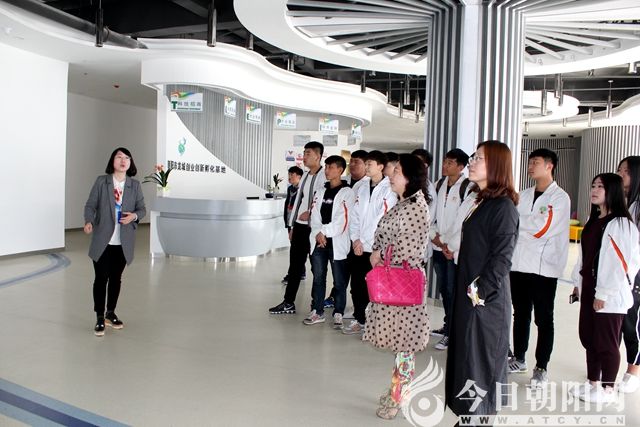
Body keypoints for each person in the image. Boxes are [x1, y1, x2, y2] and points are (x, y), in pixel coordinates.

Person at [445, 141, 519, 418]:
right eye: (473, 157)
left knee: (481, 363)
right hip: (471, 294)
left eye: (479, 158)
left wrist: (478, 293)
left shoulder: (503, 207)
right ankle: (469, 416)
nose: (472, 163)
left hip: (485, 301)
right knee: (467, 359)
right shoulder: (482, 201)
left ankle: (478, 418)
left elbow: (502, 259)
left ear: (496, 165)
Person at [363, 154, 431, 420]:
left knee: (405, 344)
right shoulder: (403, 202)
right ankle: (396, 389)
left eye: (398, 172)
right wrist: (378, 251)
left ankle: (399, 396)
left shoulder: (415, 207)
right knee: (400, 342)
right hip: (395, 281)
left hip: (404, 285)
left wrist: (380, 255)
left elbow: (408, 250)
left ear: (411, 177)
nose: (391, 175)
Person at [571, 173, 640, 403]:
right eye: (593, 185)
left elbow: (618, 264)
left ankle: (608, 390)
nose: (594, 190)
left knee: (606, 343)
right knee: (589, 338)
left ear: (613, 191)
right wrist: (577, 284)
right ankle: (593, 383)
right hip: (590, 288)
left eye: (600, 186)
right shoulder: (594, 221)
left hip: (609, 294)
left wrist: (603, 293)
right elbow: (584, 258)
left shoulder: (621, 224)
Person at [508, 149, 570, 387]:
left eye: (536, 162)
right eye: (530, 162)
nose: (531, 166)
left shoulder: (560, 198)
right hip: (519, 264)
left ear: (549, 165)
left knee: (544, 319)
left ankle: (541, 367)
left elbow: (542, 229)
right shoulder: (522, 195)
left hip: (544, 268)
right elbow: (512, 224)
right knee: (520, 314)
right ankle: (519, 358)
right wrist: (523, 226)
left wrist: (520, 226)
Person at [84, 147, 146, 337]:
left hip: (123, 241)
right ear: (113, 161)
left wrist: (134, 216)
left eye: (127, 158)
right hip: (103, 239)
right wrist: (88, 221)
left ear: (130, 163)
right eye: (119, 157)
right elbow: (90, 205)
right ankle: (99, 316)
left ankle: (110, 313)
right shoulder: (102, 182)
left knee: (116, 278)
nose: (123, 160)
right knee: (101, 278)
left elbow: (142, 209)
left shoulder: (134, 185)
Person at [344, 150, 397, 335]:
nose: (366, 167)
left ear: (381, 167)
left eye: (369, 164)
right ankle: (360, 319)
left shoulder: (389, 188)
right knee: (357, 286)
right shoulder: (362, 186)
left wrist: (368, 242)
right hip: (359, 246)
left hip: (376, 248)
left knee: (375, 286)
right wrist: (356, 240)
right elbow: (355, 215)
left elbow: (383, 219)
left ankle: (375, 323)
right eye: (365, 163)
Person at [269, 141, 325, 314]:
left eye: (308, 153)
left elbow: (324, 203)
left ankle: (316, 307)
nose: (304, 156)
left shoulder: (324, 176)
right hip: (299, 228)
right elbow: (298, 201)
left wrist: (311, 213)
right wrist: (292, 225)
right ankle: (288, 302)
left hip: (314, 230)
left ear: (318, 156)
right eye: (304, 153)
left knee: (318, 270)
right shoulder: (305, 176)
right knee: (295, 267)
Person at [305, 156, 355, 328]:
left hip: (337, 242)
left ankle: (338, 312)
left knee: (339, 281)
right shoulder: (320, 191)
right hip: (319, 242)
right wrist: (319, 234)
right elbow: (314, 215)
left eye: (331, 167)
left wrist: (325, 232)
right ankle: (317, 311)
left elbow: (343, 220)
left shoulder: (347, 193)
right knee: (318, 278)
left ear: (340, 170)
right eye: (326, 167)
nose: (327, 170)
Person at [429, 148, 470, 351]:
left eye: (450, 163)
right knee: (444, 289)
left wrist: (448, 243)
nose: (445, 166)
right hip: (439, 246)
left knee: (454, 290)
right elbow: (432, 215)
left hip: (453, 249)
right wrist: (435, 238)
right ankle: (448, 325)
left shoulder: (468, 187)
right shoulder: (438, 184)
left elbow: (462, 221)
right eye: (445, 161)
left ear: (461, 167)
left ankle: (453, 333)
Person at [324, 149, 368, 310]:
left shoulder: (368, 185)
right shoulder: (343, 182)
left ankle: (358, 308)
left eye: (357, 162)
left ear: (366, 165)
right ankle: (334, 297)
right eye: (352, 161)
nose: (353, 165)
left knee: (357, 275)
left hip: (358, 237)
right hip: (341, 235)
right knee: (340, 271)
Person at [618, 156, 640, 393]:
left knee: (633, 322)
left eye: (626, 171)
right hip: (618, 270)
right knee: (617, 320)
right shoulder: (622, 202)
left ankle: (633, 369)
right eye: (620, 170)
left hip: (636, 272)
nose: (620, 174)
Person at [411, 148, 438, 262]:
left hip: (416, 248)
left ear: (425, 166)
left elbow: (427, 220)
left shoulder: (428, 189)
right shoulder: (408, 183)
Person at [281, 165, 305, 285]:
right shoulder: (290, 188)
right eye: (289, 174)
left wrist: (294, 226)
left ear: (299, 176)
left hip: (298, 224)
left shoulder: (303, 189)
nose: (290, 177)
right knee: (296, 250)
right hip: (290, 222)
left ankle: (292, 275)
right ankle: (301, 272)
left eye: (292, 175)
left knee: (296, 252)